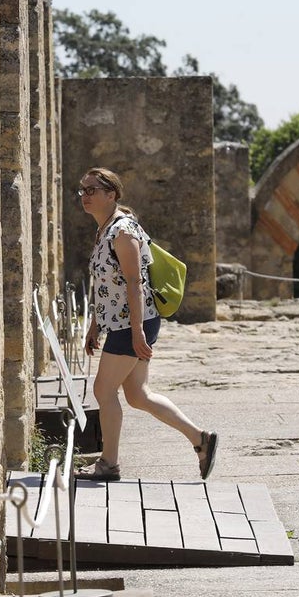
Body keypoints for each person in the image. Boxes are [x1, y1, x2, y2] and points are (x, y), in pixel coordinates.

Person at [73, 167, 218, 481]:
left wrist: (138, 331)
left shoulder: (123, 231)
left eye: (92, 190)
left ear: (111, 195)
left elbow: (134, 283)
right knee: (138, 395)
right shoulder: (104, 229)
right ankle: (201, 439)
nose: (85, 196)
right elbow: (105, 284)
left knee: (103, 388)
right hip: (123, 323)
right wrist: (96, 323)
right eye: (82, 190)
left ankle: (108, 464)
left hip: (133, 324)